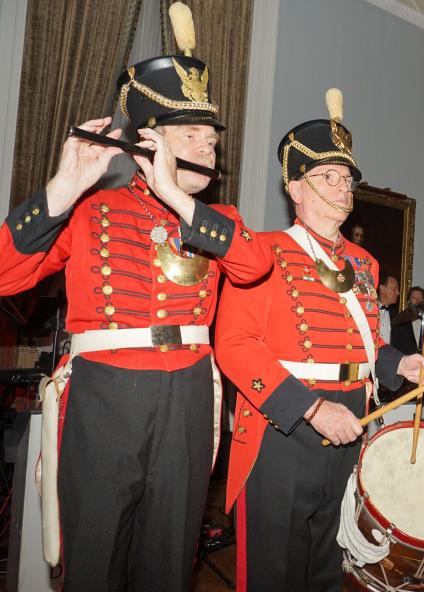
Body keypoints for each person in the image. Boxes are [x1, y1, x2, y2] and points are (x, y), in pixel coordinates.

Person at [0, 8, 269, 590]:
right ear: (149, 142)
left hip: (189, 394)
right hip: (105, 395)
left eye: (212, 139)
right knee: (94, 556)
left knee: (169, 559)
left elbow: (256, 265)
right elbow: (5, 275)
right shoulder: (91, 209)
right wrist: (62, 187)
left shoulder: (215, 220)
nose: (209, 149)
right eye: (192, 136)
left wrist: (176, 194)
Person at [214, 89, 424, 591]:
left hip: (353, 417)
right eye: (328, 177)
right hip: (286, 424)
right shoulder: (263, 251)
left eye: (347, 179)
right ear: (295, 188)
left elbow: (367, 343)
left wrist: (397, 365)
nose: (343, 188)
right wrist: (312, 409)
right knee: (274, 570)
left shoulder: (363, 264)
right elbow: (235, 345)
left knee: (326, 566)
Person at [391, 285, 424, 357]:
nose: (417, 300)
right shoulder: (400, 322)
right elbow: (396, 345)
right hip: (404, 361)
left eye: (420, 298)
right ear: (408, 301)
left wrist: (423, 360)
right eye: (414, 298)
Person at [377, 273, 400, 343]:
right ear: (382, 289)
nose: (398, 293)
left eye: (397, 289)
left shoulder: (396, 316)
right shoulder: (369, 311)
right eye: (394, 289)